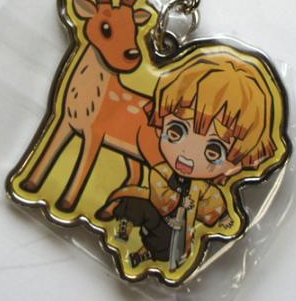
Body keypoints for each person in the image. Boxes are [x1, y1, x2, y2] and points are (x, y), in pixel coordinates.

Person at [106, 50, 284, 271]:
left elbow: (215, 207)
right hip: (156, 211)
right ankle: (123, 230)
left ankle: (145, 255)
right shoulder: (162, 171)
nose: (186, 155)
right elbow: (155, 184)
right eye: (176, 131)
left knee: (166, 246)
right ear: (161, 121)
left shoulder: (203, 189)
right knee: (132, 205)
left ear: (237, 163)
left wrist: (225, 220)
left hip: (176, 230)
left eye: (213, 150)